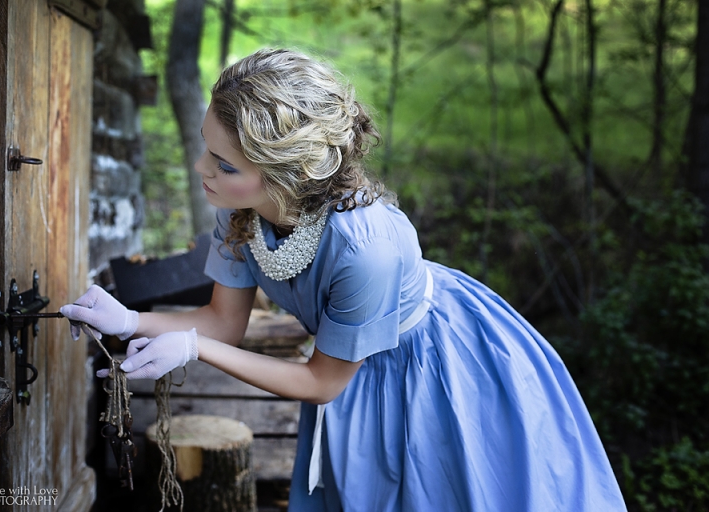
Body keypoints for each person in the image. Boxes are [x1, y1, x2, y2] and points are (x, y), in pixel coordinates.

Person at [61, 48, 626, 511]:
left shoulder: (366, 248)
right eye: (206, 150)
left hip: (431, 365)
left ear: (288, 172)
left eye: (225, 164)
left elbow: (322, 384)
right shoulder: (237, 210)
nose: (202, 170)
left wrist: (192, 349)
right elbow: (222, 323)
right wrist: (130, 319)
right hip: (345, 365)